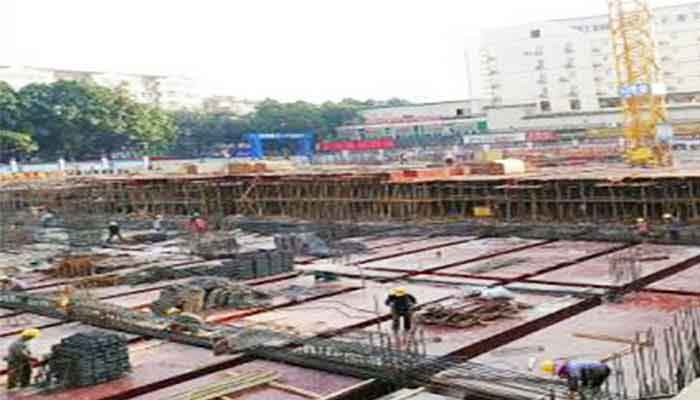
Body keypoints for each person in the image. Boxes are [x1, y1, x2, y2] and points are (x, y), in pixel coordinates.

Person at [541, 359, 611, 398]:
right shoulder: (569, 366)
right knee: (583, 386)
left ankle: (596, 393)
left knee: (590, 390)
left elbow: (573, 381)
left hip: (601, 371)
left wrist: (571, 393)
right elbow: (571, 379)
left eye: (560, 375)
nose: (561, 377)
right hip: (593, 371)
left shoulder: (572, 369)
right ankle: (592, 392)